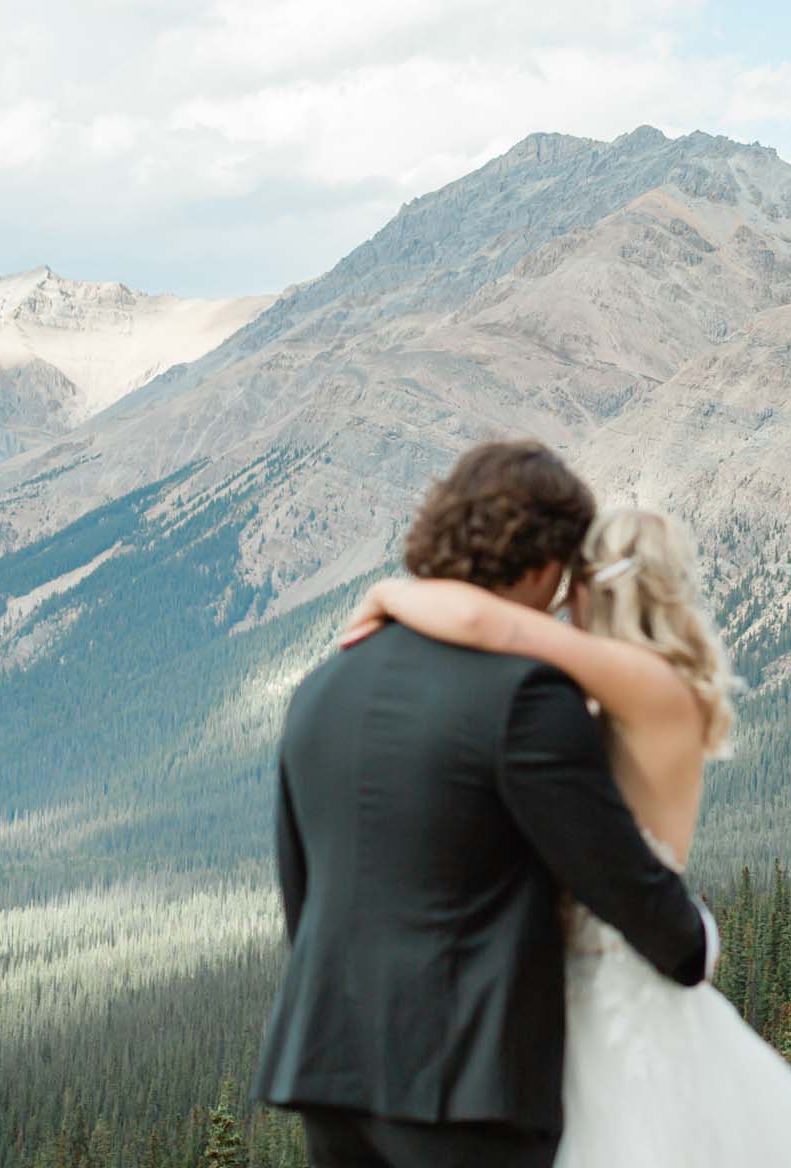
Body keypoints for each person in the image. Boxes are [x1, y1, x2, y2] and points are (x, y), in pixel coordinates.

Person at [254, 441, 718, 1168]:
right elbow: (611, 872)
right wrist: (689, 944)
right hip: (465, 1086)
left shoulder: (325, 685)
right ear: (539, 567)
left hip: (328, 1069)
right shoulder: (527, 696)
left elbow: (301, 891)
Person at [341, 503, 791, 1167]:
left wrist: (387, 593)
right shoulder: (641, 694)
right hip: (585, 987)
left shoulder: (648, 685)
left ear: (590, 590)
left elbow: (480, 623)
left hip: (618, 994)